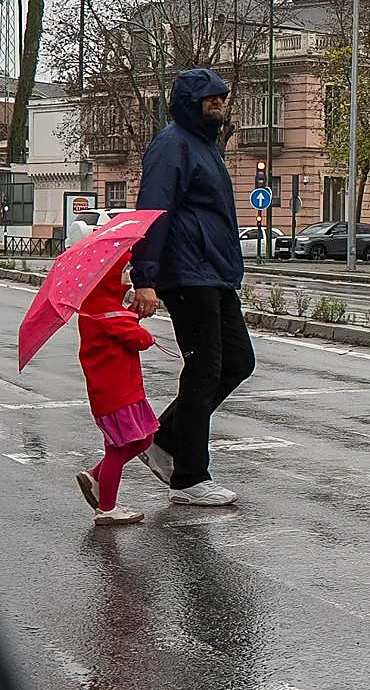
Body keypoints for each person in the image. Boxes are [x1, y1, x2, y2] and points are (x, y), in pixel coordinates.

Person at [130, 68, 254, 506]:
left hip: (214, 273)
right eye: (208, 98)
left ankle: (162, 439)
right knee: (204, 370)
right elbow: (153, 212)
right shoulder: (171, 146)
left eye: (221, 96)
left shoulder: (205, 146)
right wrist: (145, 279)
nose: (218, 103)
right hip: (187, 272)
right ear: (188, 102)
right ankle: (190, 477)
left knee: (238, 361)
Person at [74, 252, 159, 524]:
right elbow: (140, 339)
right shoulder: (104, 308)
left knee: (144, 438)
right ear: (106, 278)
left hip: (125, 391)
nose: (127, 276)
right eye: (122, 271)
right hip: (116, 395)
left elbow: (121, 326)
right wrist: (137, 322)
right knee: (117, 449)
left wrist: (129, 315)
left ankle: (95, 477)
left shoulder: (102, 307)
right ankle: (107, 508)